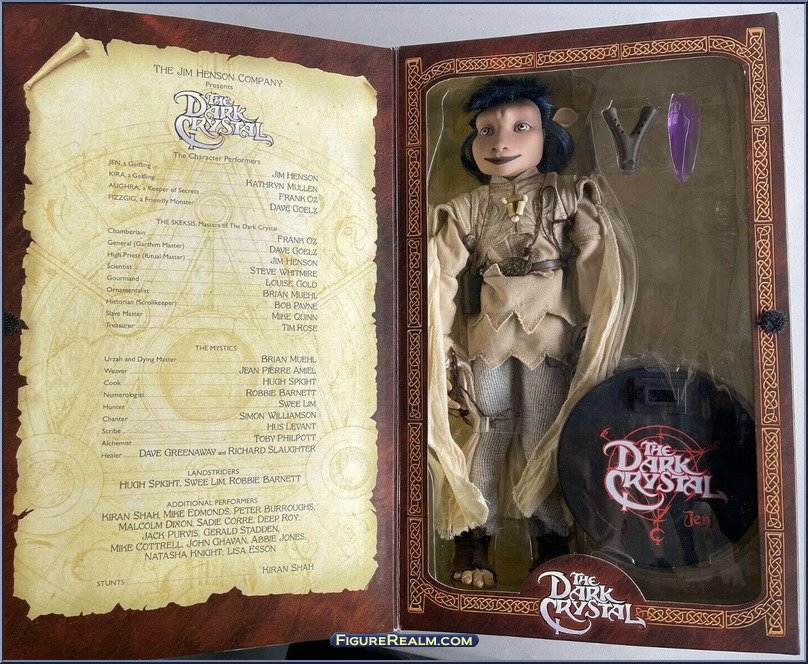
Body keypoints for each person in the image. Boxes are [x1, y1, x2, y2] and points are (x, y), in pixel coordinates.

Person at [427, 75, 636, 589]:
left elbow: (595, 261)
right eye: (486, 130)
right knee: (486, 431)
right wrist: (441, 340)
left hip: (552, 339)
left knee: (547, 433)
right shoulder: (468, 208)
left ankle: (552, 544)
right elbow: (441, 275)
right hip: (489, 341)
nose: (501, 142)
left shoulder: (567, 196)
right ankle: (473, 538)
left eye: (521, 127)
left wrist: (594, 328)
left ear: (550, 132)